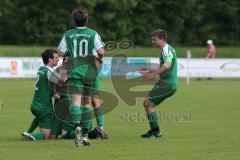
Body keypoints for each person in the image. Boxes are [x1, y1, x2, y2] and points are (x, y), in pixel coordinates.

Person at [58, 7, 104, 147]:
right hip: (89, 72)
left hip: (74, 72)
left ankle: (77, 127)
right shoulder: (92, 34)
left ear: (74, 20)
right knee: (87, 103)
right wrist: (96, 58)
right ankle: (84, 134)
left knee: (76, 102)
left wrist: (67, 55)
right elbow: (101, 52)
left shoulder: (68, 34)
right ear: (87, 19)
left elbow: (61, 52)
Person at [139, 29, 178, 138]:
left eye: (155, 40)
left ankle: (155, 131)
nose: (153, 42)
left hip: (167, 84)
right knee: (148, 103)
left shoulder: (166, 50)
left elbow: (167, 65)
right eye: (152, 39)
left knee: (148, 103)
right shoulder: (166, 50)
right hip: (167, 84)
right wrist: (149, 70)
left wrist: (153, 75)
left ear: (162, 40)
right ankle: (155, 131)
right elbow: (163, 65)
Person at [22, 49, 59, 140]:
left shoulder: (41, 69)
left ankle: (28, 132)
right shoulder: (50, 73)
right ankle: (31, 136)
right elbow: (59, 86)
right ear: (50, 59)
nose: (58, 59)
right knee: (46, 136)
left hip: (35, 105)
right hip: (44, 107)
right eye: (56, 58)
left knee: (40, 117)